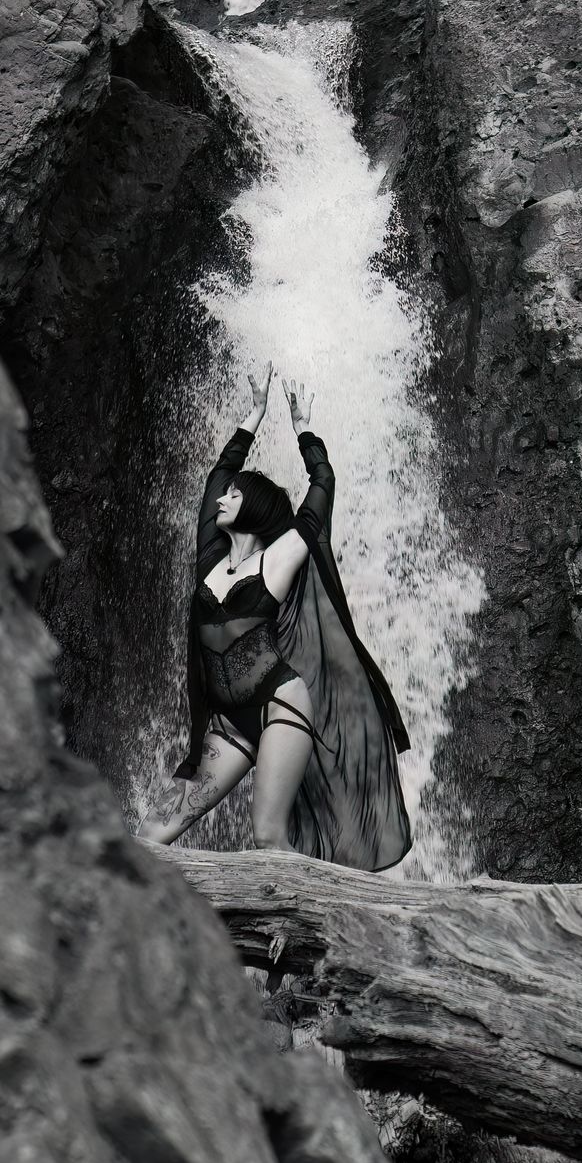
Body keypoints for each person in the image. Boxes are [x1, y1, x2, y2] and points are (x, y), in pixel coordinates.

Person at [140, 366, 413, 870]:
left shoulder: (280, 557)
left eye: (234, 496)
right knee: (151, 834)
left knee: (268, 837)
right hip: (227, 723)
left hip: (279, 705)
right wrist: (252, 415)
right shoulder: (211, 560)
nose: (221, 499)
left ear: (254, 507)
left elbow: (322, 485)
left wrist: (304, 428)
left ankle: (293, 918)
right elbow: (215, 477)